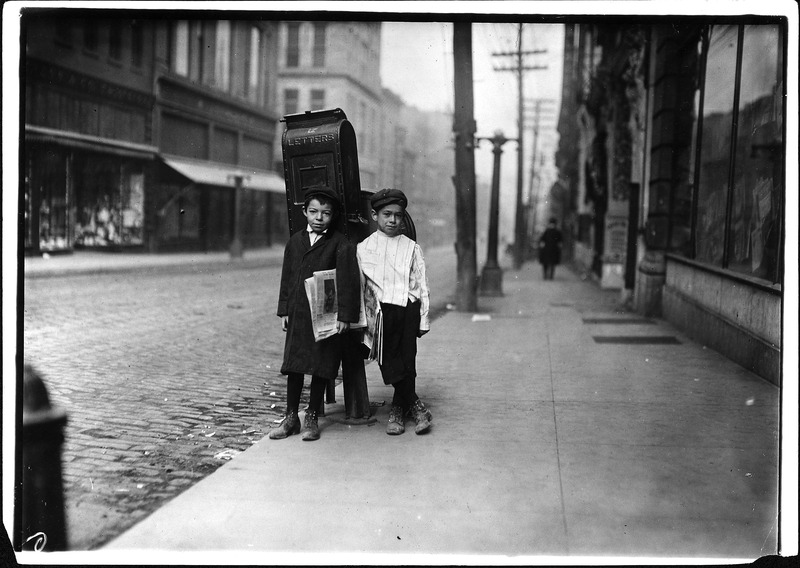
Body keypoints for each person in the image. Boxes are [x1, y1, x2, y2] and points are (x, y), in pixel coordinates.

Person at [271, 186, 361, 441]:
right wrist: (284, 310)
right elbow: (287, 277)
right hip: (299, 312)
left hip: (325, 314)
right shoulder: (295, 242)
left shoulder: (340, 244)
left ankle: (311, 415)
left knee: (320, 364)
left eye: (326, 213)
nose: (319, 218)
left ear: (333, 217)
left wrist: (345, 315)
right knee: (294, 364)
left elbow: (348, 282)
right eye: (313, 212)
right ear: (304, 212)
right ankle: (290, 417)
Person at [357, 188, 432, 435]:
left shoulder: (411, 247)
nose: (392, 220)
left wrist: (422, 320)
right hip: (382, 314)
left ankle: (398, 410)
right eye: (386, 214)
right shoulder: (364, 249)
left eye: (398, 216)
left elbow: (421, 285)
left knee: (407, 360)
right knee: (389, 362)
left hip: (407, 310)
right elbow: (363, 288)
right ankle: (416, 405)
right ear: (374, 215)